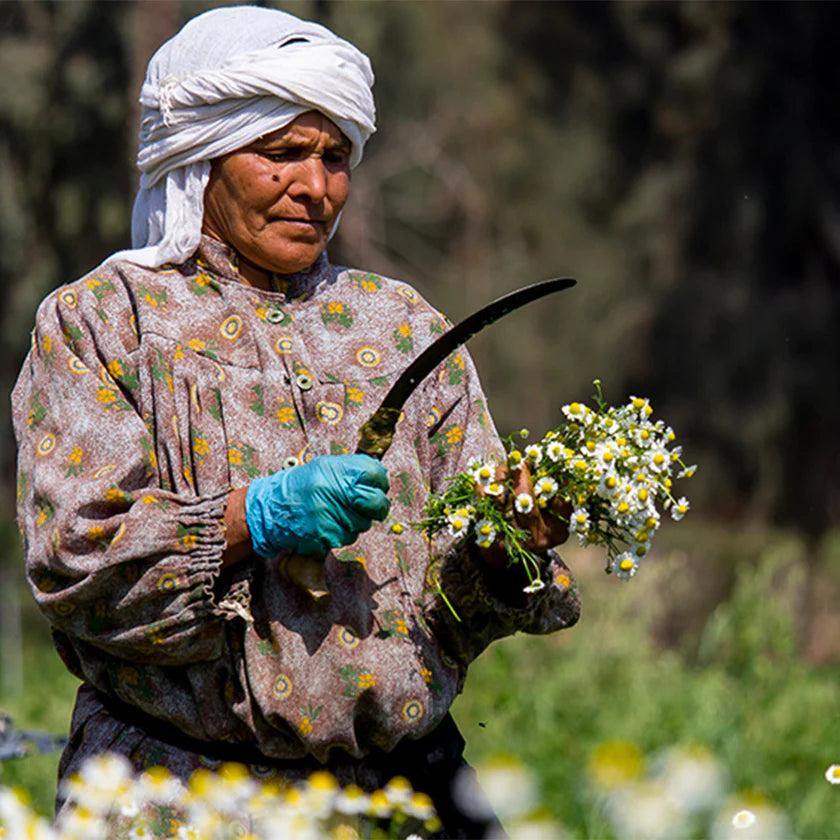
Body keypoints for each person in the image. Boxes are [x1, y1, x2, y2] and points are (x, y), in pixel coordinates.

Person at [11, 7, 580, 837]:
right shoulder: (103, 323)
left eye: (335, 157)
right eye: (282, 154)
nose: (316, 187)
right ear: (200, 156)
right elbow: (76, 568)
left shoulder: (398, 326)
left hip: (402, 792)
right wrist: (256, 518)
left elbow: (451, 602)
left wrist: (506, 543)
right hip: (177, 796)